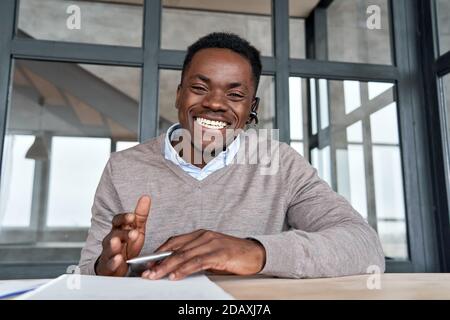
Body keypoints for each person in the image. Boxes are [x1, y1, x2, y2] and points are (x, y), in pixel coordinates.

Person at [79, 32, 385, 280]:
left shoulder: (280, 162)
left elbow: (364, 247)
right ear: (178, 94)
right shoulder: (123, 168)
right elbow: (88, 271)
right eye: (199, 88)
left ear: (251, 108)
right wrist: (108, 268)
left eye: (235, 95)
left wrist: (254, 251)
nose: (214, 103)